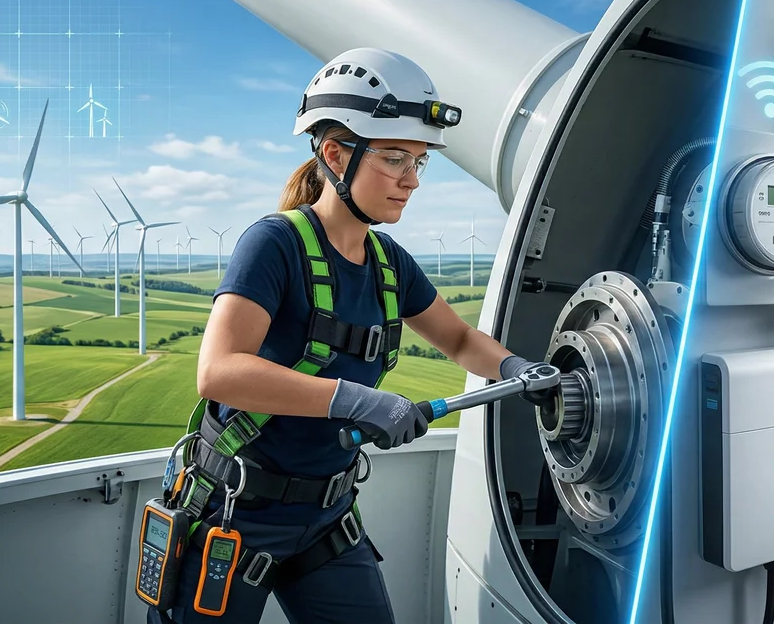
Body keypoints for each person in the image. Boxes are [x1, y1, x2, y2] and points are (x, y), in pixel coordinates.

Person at [160, 47, 556, 623]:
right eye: (395, 159)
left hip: (326, 519)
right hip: (234, 510)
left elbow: (460, 340)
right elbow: (219, 372)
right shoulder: (274, 245)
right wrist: (357, 400)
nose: (411, 181)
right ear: (335, 154)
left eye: (420, 162)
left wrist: (517, 368)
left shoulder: (389, 263)